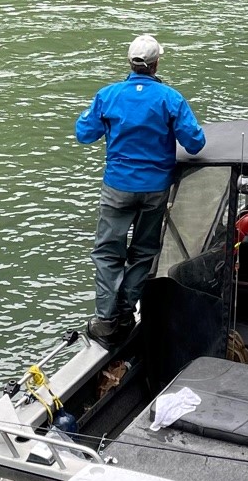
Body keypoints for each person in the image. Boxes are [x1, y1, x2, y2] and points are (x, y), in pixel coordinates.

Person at [74, 34, 206, 343]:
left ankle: (106, 320)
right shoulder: (170, 99)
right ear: (157, 63)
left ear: (130, 63)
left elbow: (84, 133)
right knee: (143, 251)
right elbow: (195, 143)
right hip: (156, 188)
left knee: (108, 252)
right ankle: (125, 310)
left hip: (117, 186)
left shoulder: (108, 96)